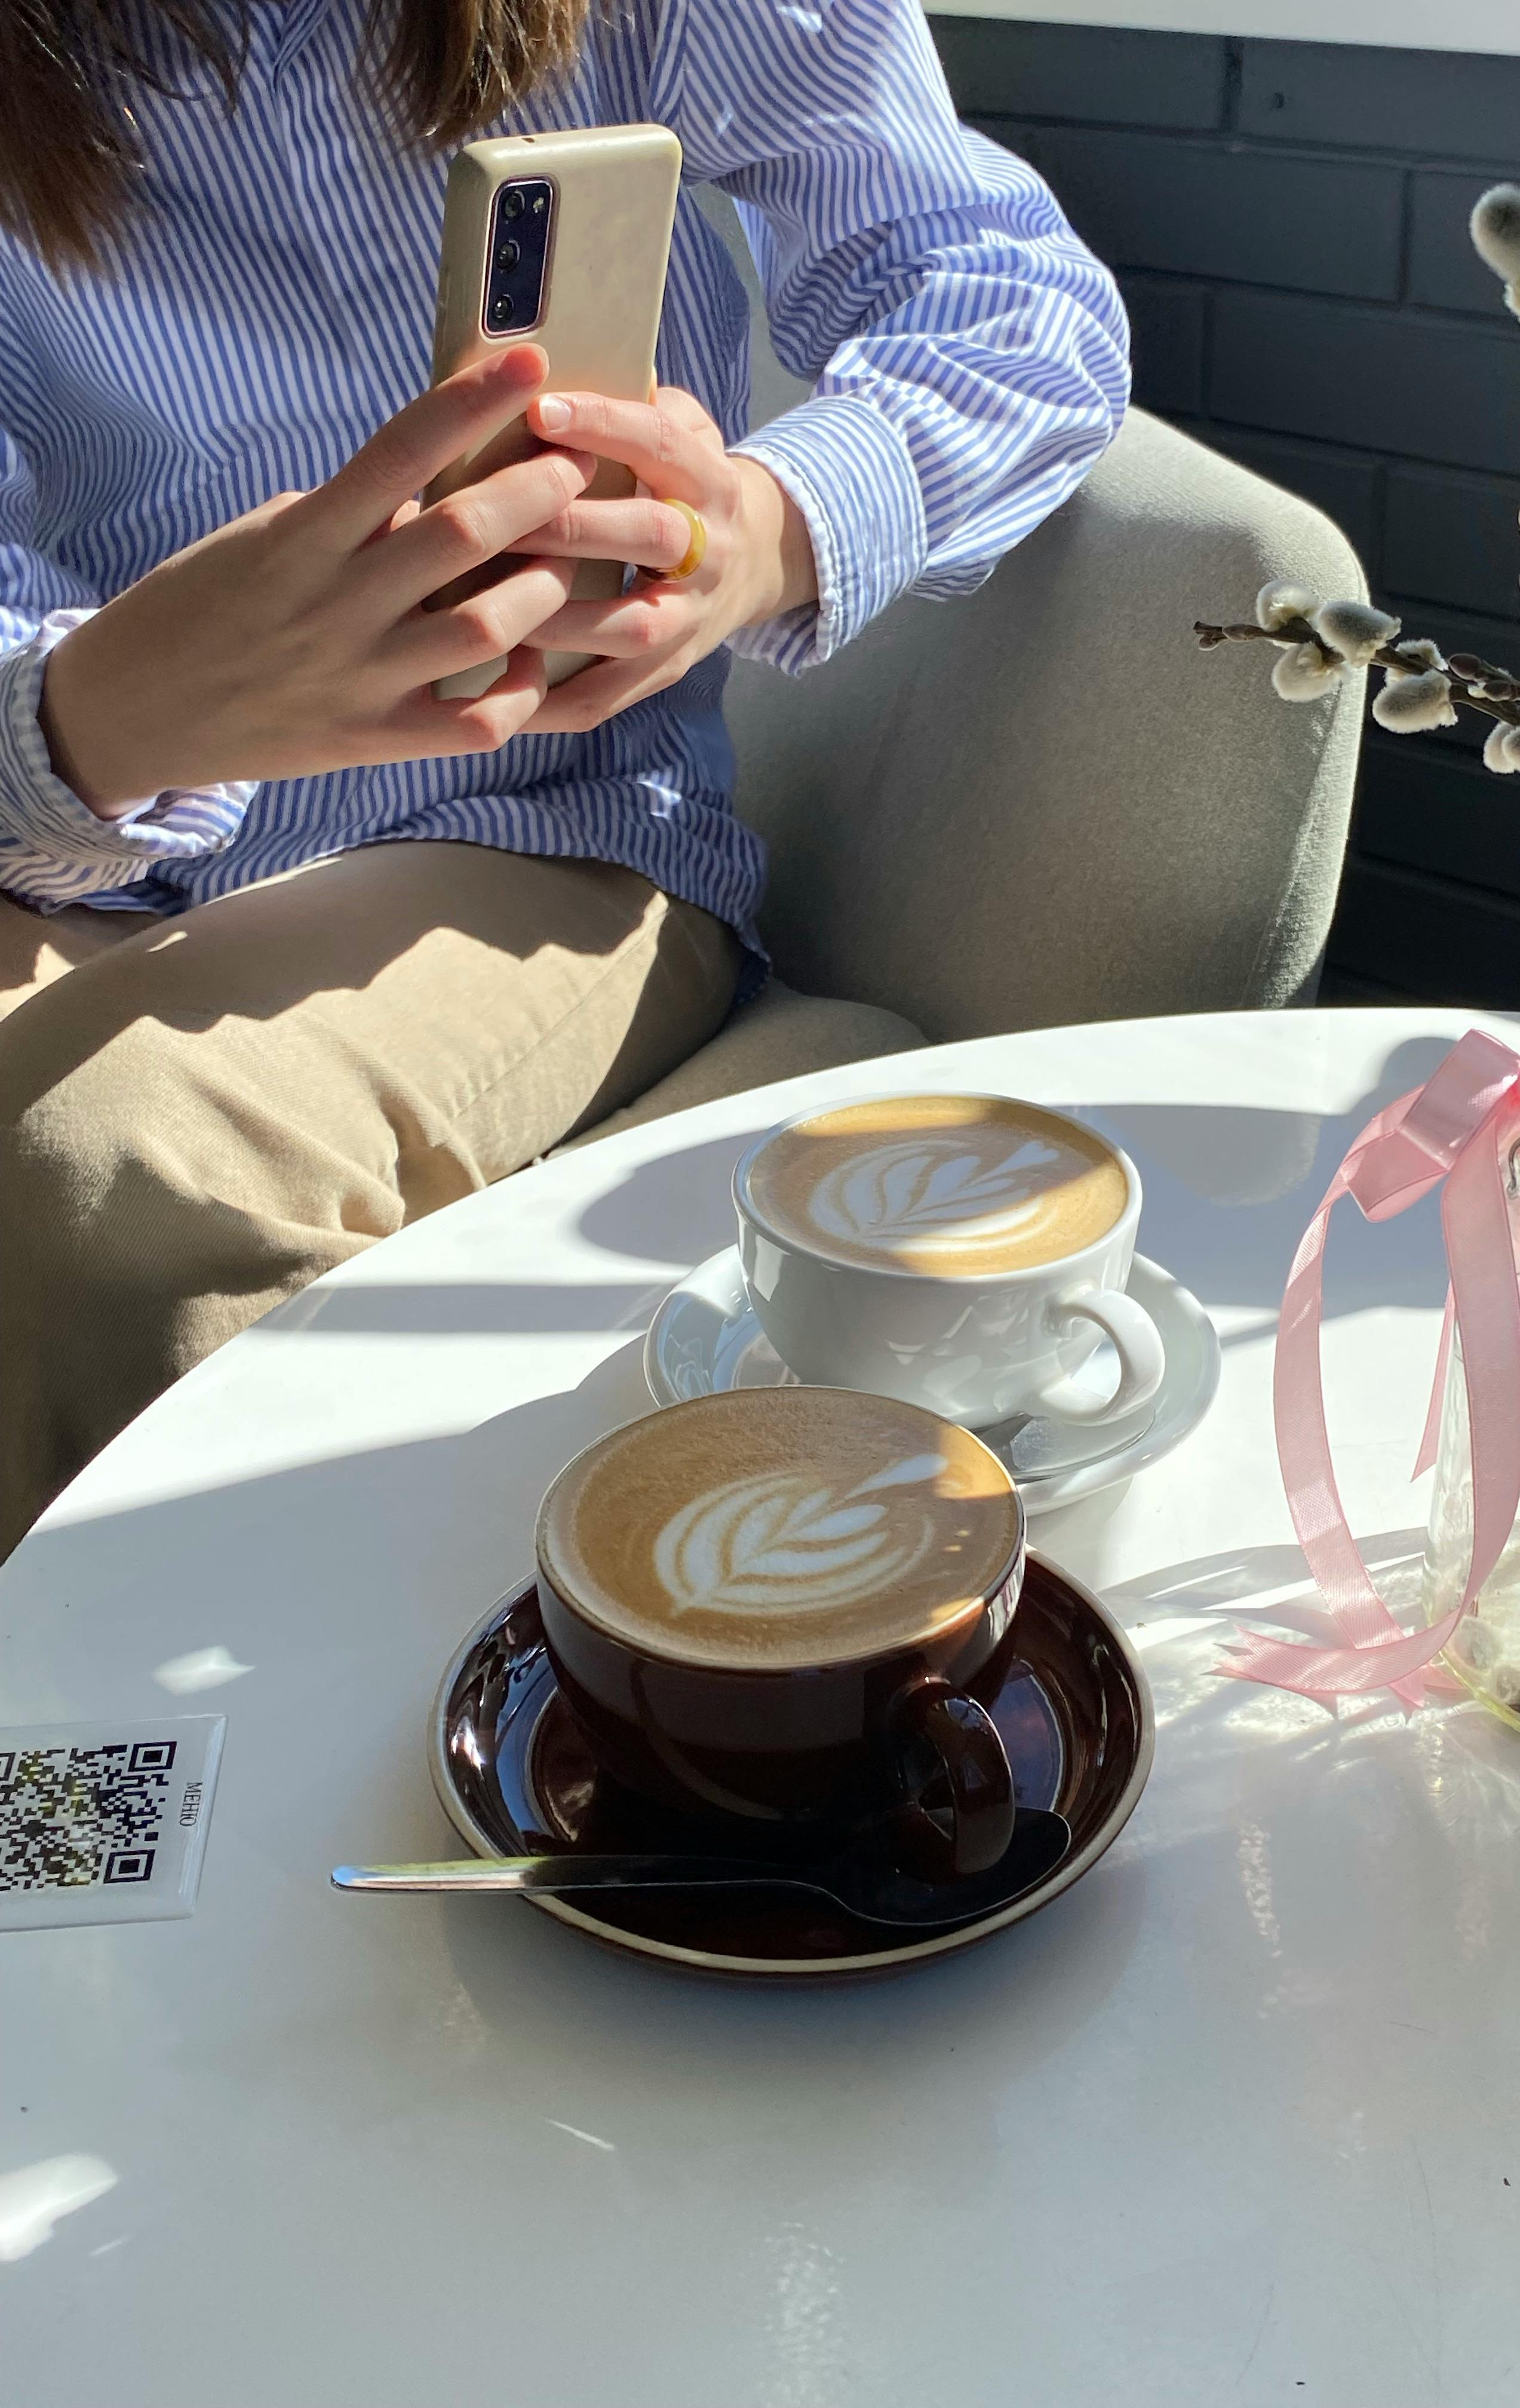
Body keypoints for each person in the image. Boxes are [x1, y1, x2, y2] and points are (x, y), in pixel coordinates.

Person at [0, 0, 1129, 1557]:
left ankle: (146, 1784)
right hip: (72, 852)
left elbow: (1012, 298)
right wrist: (91, 720)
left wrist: (770, 527)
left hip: (550, 830)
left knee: (117, 1172)